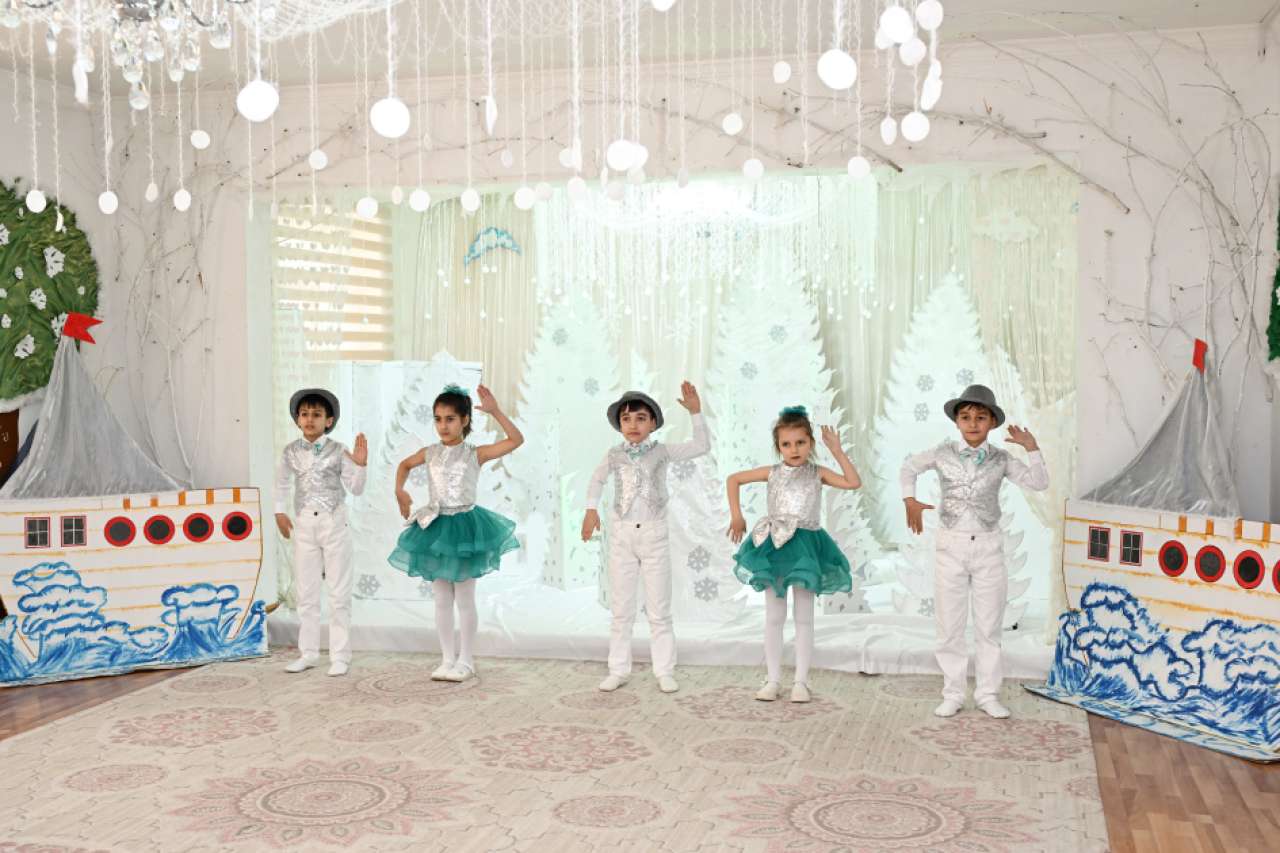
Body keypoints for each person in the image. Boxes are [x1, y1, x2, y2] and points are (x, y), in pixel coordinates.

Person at [900, 384, 1048, 719]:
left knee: (988, 627)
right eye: (966, 417)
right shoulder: (942, 453)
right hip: (950, 546)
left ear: (992, 422)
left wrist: (1032, 448)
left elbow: (1039, 483)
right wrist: (909, 499)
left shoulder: (1002, 459)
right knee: (949, 626)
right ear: (956, 421)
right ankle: (953, 692)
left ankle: (988, 694)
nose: (972, 423)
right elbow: (908, 467)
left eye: (981, 417)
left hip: (988, 547)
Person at [582, 383, 709, 694]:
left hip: (654, 535)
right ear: (619, 425)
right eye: (626, 419)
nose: (633, 425)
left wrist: (695, 413)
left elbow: (701, 446)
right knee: (621, 609)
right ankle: (618, 669)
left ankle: (664, 669)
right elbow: (596, 480)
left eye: (641, 418)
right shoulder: (614, 455)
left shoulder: (662, 452)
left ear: (653, 423)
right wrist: (590, 510)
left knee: (659, 609)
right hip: (622, 536)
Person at [727, 406, 860, 703]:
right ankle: (773, 679)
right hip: (774, 547)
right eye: (786, 444)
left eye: (800, 442)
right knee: (774, 616)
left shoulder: (817, 473)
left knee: (804, 617)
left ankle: (801, 681)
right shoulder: (772, 472)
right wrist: (737, 515)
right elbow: (733, 479)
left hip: (806, 550)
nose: (794, 449)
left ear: (810, 442)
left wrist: (837, 451)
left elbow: (853, 482)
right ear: (778, 447)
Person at [390, 384, 522, 683]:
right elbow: (404, 465)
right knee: (440, 598)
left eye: (450, 419)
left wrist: (496, 412)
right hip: (436, 528)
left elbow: (516, 440)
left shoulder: (475, 454)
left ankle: (466, 660)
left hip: (464, 529)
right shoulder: (430, 452)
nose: (443, 426)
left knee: (464, 598)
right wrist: (400, 491)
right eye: (438, 419)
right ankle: (447, 659)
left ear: (465, 420)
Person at [275, 388, 367, 677]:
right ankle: (309, 653)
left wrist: (361, 465)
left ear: (328, 421)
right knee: (307, 592)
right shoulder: (290, 451)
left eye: (316, 414)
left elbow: (356, 488)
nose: (309, 419)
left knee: (338, 593)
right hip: (304, 525)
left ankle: (340, 655)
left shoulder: (338, 450)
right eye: (304, 414)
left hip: (334, 523)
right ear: (297, 419)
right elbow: (282, 483)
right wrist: (279, 511)